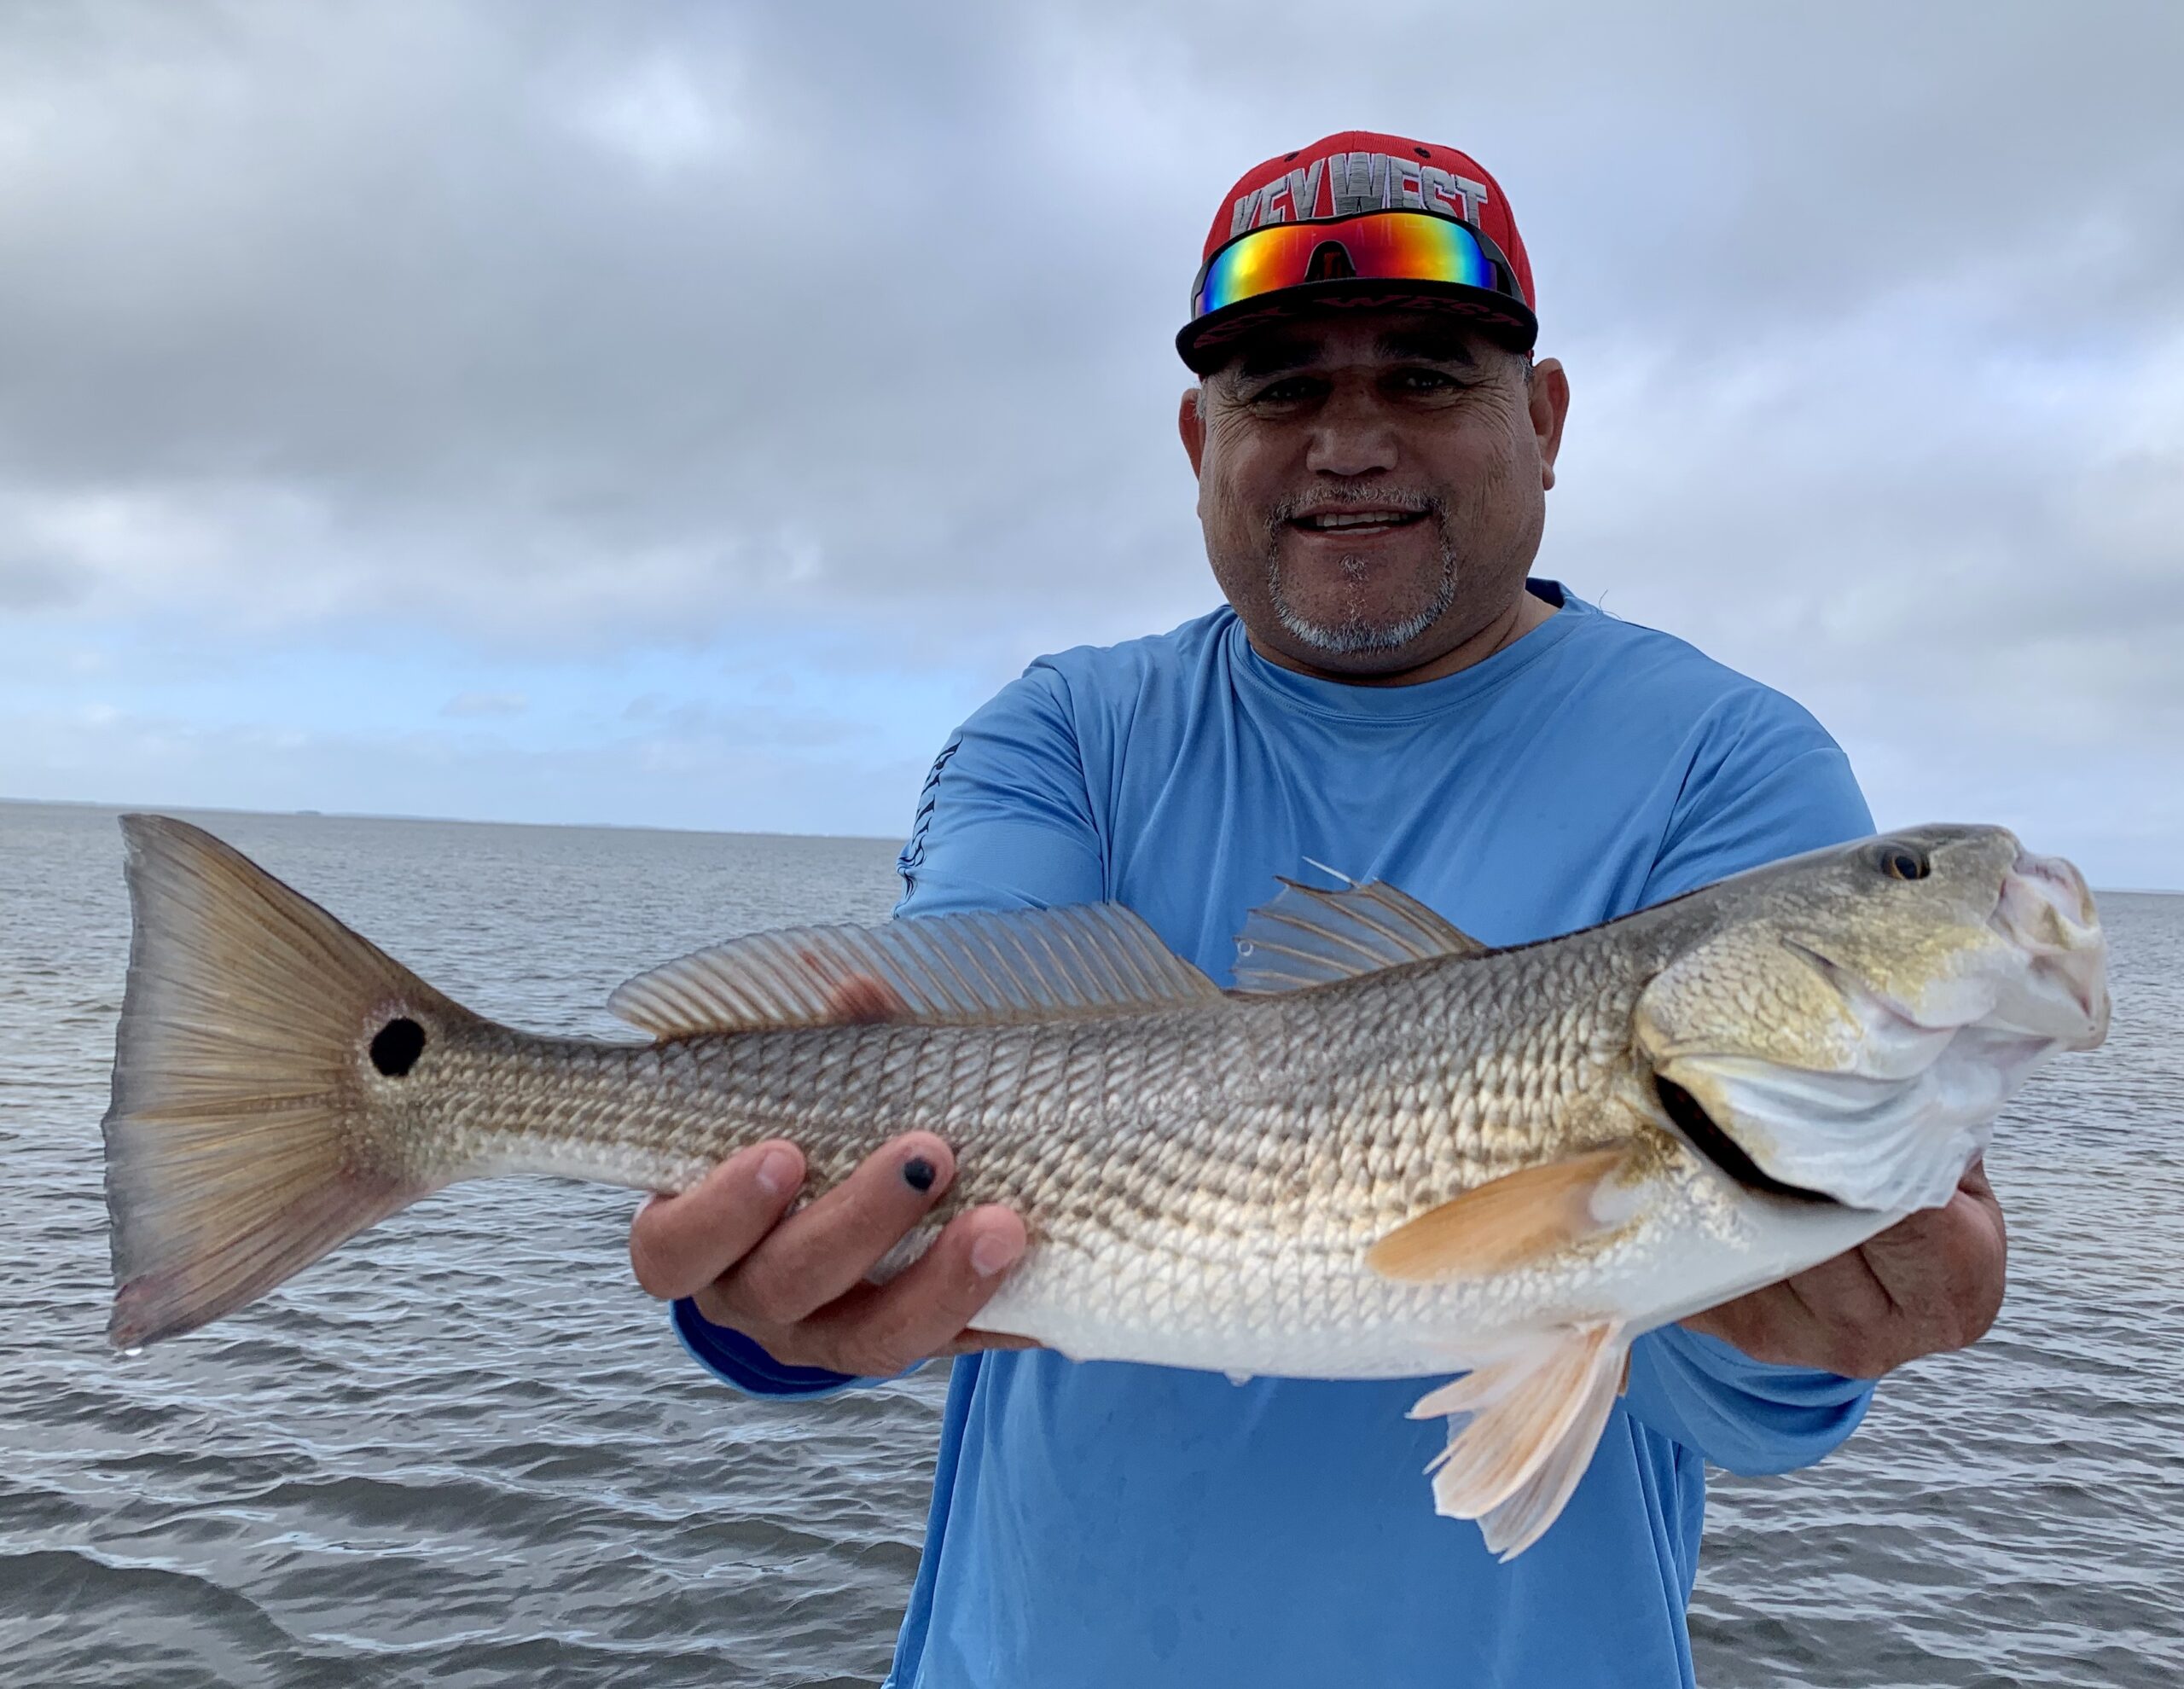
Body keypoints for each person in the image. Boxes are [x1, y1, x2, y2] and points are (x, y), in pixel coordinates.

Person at [627, 131, 2007, 1687]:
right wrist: (768, 1303)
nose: (1350, 443)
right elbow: (937, 1066)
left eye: (1424, 376)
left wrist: (1820, 1323)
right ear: (1195, 438)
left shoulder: (1730, 764)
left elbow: (1731, 1403)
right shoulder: (1063, 731)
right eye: (1282, 389)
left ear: (1543, 422)